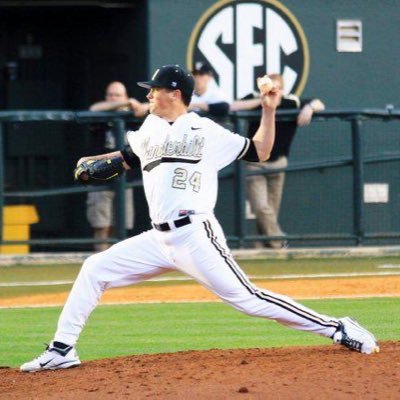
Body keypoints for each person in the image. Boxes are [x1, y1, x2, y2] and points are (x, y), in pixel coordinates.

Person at [20, 65, 378, 373]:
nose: (148, 96)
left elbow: (261, 151)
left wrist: (268, 111)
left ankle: (337, 326)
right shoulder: (149, 129)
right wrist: (95, 161)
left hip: (195, 234)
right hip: (158, 240)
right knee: (94, 269)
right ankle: (62, 350)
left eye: (154, 90)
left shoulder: (205, 131)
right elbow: (126, 158)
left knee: (248, 299)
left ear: (174, 94)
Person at [230, 74, 325, 249]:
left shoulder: (291, 102)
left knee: (271, 210)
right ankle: (279, 242)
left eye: (277, 88)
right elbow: (232, 107)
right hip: (255, 161)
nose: (273, 91)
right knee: (261, 207)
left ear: (282, 89)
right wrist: (261, 101)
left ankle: (262, 244)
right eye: (270, 88)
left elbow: (320, 103)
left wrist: (309, 108)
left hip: (278, 161)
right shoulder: (255, 99)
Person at [87, 81, 148, 251]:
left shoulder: (133, 118)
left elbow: (153, 109)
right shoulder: (100, 116)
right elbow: (94, 108)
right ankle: (100, 265)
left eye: (118, 95)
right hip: (100, 178)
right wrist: (126, 103)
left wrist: (138, 106)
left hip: (124, 180)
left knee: (120, 228)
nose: (113, 98)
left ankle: (116, 268)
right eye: (110, 95)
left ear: (126, 96)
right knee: (101, 226)